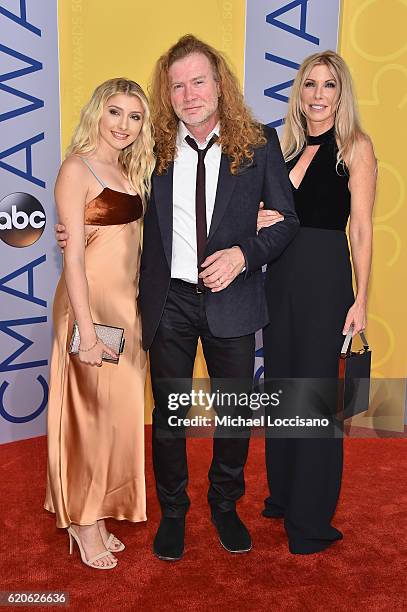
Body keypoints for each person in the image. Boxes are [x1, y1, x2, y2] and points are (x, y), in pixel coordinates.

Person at [138, 34, 299, 561]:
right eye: (177, 86)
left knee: (232, 415)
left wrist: (242, 255)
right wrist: (79, 225)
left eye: (198, 81)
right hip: (171, 304)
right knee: (170, 416)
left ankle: (225, 505)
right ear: (169, 94)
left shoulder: (257, 143)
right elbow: (109, 195)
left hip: (234, 298)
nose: (188, 94)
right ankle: (174, 512)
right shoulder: (152, 148)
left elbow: (287, 221)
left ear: (219, 84)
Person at [257, 50, 376, 554]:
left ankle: (310, 519)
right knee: (283, 388)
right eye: (310, 85)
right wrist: (257, 219)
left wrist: (362, 299)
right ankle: (283, 493)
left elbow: (363, 229)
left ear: (341, 93)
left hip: (325, 280)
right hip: (279, 278)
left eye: (328, 86)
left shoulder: (355, 148)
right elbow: (266, 214)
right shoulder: (280, 146)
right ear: (299, 93)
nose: (318, 95)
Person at [45, 78, 155, 569]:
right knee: (86, 415)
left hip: (125, 311)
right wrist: (85, 332)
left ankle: (102, 511)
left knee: (117, 415)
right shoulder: (77, 168)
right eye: (115, 112)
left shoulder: (131, 168)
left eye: (134, 117)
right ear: (97, 113)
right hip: (87, 310)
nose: (123, 125)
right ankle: (83, 522)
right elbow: (71, 260)